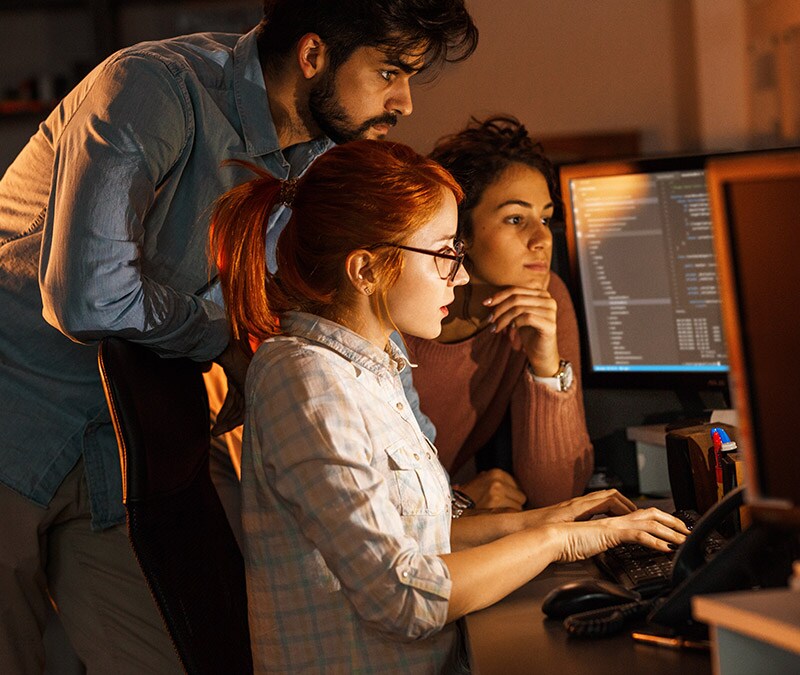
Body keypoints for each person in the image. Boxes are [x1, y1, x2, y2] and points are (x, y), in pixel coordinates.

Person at [0, 2, 478, 672]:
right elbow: (88, 295)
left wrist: (427, 475)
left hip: (119, 449)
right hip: (15, 416)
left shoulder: (321, 163)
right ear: (314, 56)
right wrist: (216, 336)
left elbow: (342, 324)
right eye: (390, 72)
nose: (402, 100)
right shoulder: (151, 88)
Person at [209, 139, 689, 673]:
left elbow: (421, 536)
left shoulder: (374, 364)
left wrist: (556, 517)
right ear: (366, 271)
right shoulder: (308, 380)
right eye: (443, 254)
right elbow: (403, 597)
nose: (459, 276)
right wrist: (561, 539)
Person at [405, 115, 592, 512]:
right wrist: (457, 502)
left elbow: (557, 496)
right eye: (515, 219)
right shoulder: (402, 306)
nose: (542, 239)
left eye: (544, 218)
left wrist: (545, 364)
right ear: (460, 232)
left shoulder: (543, 299)